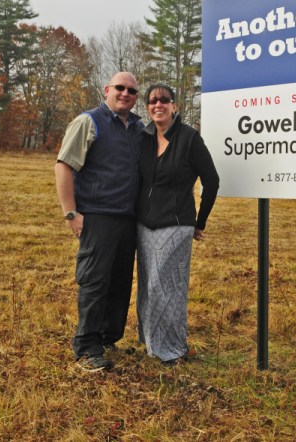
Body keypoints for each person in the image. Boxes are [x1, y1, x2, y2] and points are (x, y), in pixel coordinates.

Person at [55, 71, 144, 372]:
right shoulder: (89, 122)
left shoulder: (136, 128)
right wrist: (71, 213)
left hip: (128, 219)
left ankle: (108, 337)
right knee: (95, 281)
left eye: (132, 91)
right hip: (98, 217)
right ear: (106, 90)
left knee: (120, 281)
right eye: (120, 88)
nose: (126, 94)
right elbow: (64, 166)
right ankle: (86, 346)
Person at [136, 84, 220, 365]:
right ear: (147, 107)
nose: (158, 105)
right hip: (145, 224)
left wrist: (200, 221)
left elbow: (212, 181)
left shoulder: (189, 138)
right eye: (152, 101)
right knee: (149, 286)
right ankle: (151, 343)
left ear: (174, 106)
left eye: (164, 100)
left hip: (176, 223)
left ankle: (171, 348)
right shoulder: (144, 137)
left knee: (166, 285)